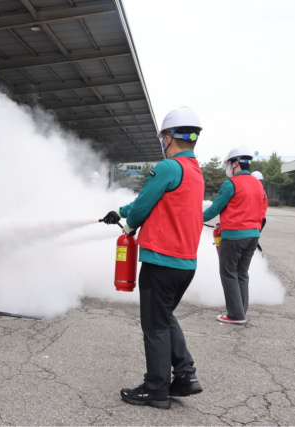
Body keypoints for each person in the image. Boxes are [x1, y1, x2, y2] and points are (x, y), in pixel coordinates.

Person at [101, 106, 205, 410]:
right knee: (165, 318)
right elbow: (153, 201)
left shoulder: (169, 167)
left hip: (161, 262)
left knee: (155, 325)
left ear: (169, 137)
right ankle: (185, 376)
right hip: (185, 265)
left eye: (163, 137)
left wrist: (129, 222)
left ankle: (156, 389)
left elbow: (145, 203)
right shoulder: (194, 171)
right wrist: (120, 211)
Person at [202, 147, 266, 324]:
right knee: (242, 273)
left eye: (229, 163)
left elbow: (216, 208)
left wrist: (196, 218)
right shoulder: (257, 183)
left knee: (228, 273)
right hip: (253, 235)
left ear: (236, 163)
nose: (228, 167)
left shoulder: (231, 183)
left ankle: (235, 315)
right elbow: (260, 210)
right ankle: (241, 310)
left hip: (234, 236)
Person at [251, 171, 267, 251]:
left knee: (251, 241)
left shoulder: (258, 189)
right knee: (251, 240)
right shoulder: (260, 188)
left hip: (259, 219)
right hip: (260, 218)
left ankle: (260, 257)